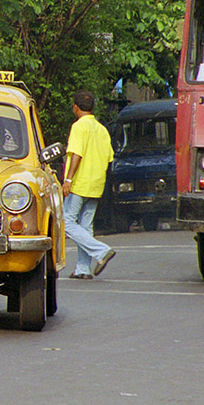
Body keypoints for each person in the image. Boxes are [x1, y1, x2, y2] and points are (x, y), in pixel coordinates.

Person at [62, 90, 116, 279]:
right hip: (96, 184)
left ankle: (101, 251)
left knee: (66, 222)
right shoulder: (101, 128)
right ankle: (83, 269)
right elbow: (109, 157)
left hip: (80, 183)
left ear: (75, 107)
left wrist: (68, 179)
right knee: (85, 226)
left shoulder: (79, 127)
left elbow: (76, 153)